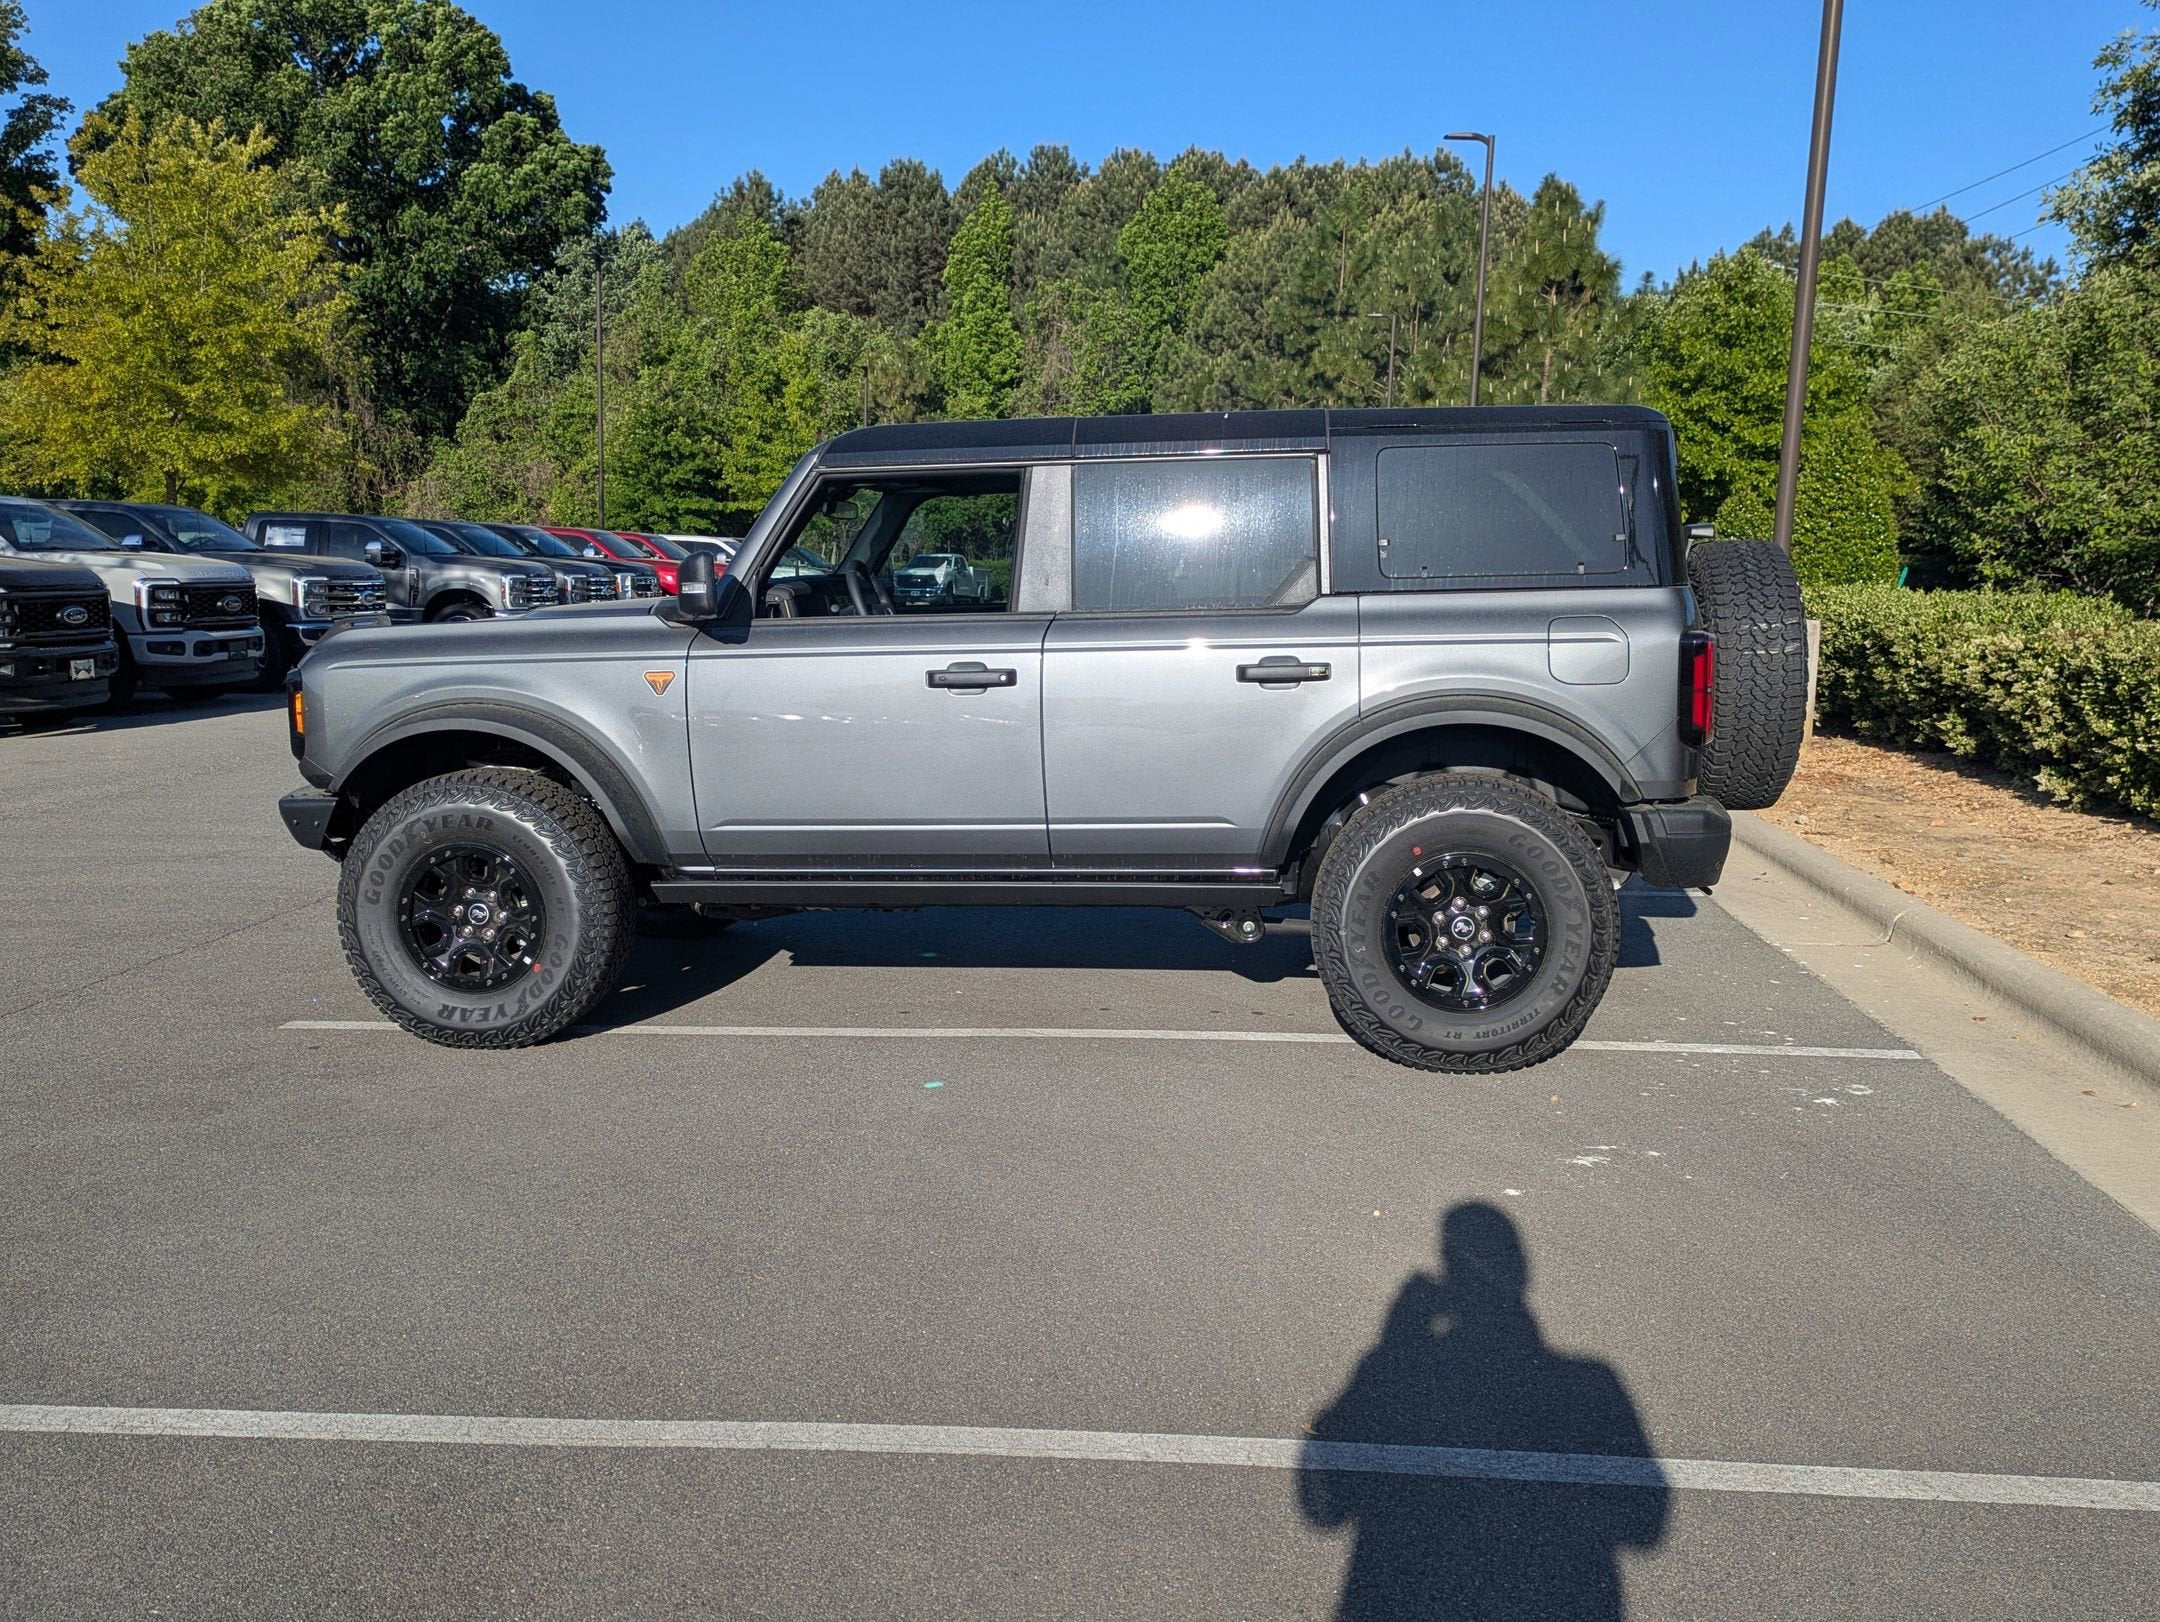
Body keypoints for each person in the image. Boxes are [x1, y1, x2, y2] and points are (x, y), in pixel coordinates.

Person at [1298, 1202, 1668, 1618]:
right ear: (1522, 1275)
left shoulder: (1394, 1378)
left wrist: (1393, 1349)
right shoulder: (1591, 1386)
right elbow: (1644, 1526)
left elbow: (1324, 1505)